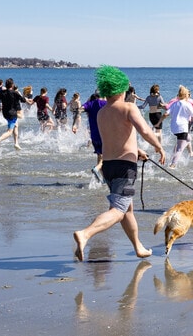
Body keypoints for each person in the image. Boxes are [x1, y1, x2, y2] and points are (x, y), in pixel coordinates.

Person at [73, 65, 166, 261]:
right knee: (118, 210)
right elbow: (145, 131)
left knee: (126, 209)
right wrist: (159, 147)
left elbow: (114, 139)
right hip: (125, 168)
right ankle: (85, 234)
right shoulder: (129, 107)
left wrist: (137, 151)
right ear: (121, 89)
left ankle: (138, 247)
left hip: (108, 166)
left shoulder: (101, 113)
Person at [165, 85, 193, 168]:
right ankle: (173, 164)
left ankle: (176, 155)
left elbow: (167, 110)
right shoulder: (187, 103)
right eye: (188, 94)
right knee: (180, 149)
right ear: (186, 95)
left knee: (188, 138)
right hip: (183, 127)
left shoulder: (176, 102)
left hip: (175, 127)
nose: (189, 96)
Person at [0, 78, 34, 150]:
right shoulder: (15, 93)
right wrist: (22, 95)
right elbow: (23, 100)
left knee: (16, 126)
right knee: (10, 131)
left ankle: (16, 143)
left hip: (5, 113)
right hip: (12, 113)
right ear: (12, 85)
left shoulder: (2, 92)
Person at [82, 91, 107, 182]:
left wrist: (74, 124)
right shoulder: (104, 103)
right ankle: (96, 169)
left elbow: (80, 109)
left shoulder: (90, 104)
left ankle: (103, 179)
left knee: (99, 156)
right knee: (105, 156)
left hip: (94, 136)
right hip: (104, 134)